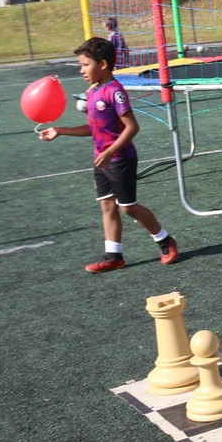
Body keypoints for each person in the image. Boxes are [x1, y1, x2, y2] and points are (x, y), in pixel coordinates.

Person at [38, 37, 178, 272]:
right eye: (81, 65)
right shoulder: (93, 91)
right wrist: (60, 130)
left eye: (85, 65)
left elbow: (132, 127)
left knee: (128, 207)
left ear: (102, 64)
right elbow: (93, 129)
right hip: (102, 159)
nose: (82, 71)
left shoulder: (115, 92)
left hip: (120, 159)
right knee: (107, 206)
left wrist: (111, 151)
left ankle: (165, 241)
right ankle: (114, 256)